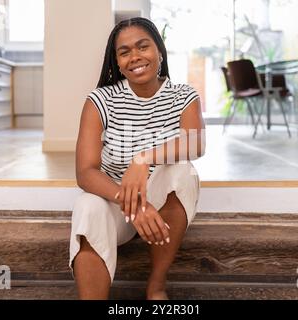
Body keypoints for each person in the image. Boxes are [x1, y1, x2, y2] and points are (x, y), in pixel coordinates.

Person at [69, 17, 206, 300]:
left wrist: (143, 159)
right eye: (124, 51)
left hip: (161, 204)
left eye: (143, 46)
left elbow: (196, 142)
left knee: (181, 170)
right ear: (116, 62)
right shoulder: (100, 100)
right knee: (87, 205)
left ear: (160, 51)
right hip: (114, 203)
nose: (135, 57)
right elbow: (85, 172)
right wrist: (133, 204)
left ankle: (156, 286)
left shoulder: (183, 96)